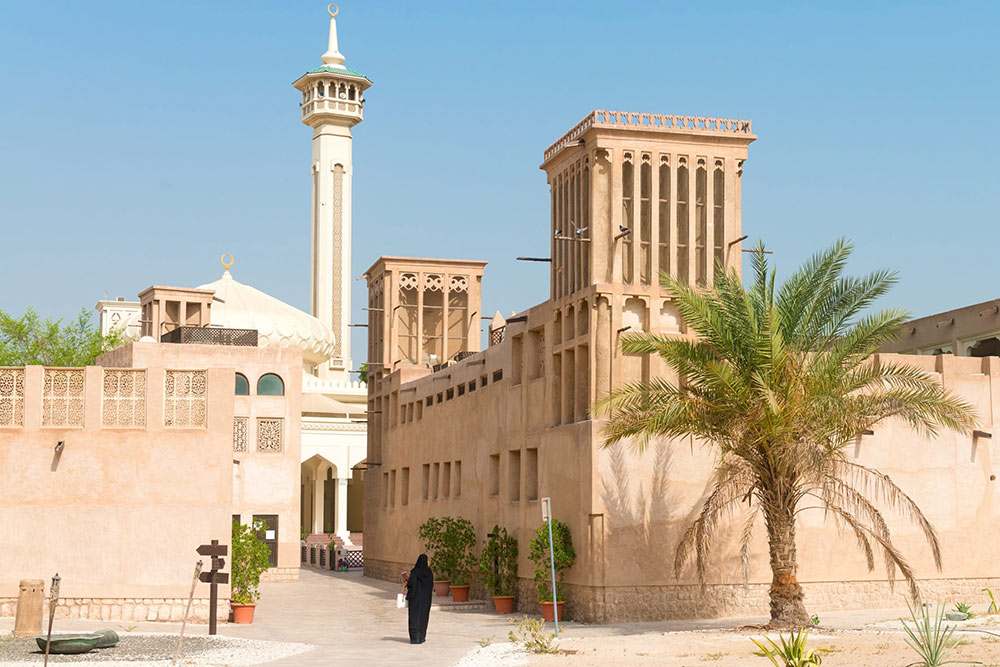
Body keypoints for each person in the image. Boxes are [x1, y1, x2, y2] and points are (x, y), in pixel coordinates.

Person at [403, 553, 433, 644]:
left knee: (414, 617)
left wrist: (407, 582)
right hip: (426, 599)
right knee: (423, 617)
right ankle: (421, 637)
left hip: (416, 599)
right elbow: (431, 586)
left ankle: (415, 638)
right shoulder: (429, 573)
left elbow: (412, 585)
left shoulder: (415, 572)